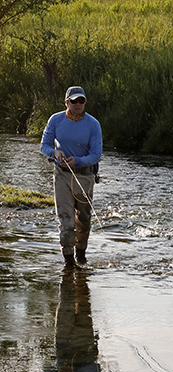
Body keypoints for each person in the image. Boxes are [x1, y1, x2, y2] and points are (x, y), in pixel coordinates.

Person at [40, 86, 102, 267]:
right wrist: (55, 153)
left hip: (85, 176)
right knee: (65, 220)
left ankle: (80, 255)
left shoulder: (93, 124)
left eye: (81, 101)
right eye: (73, 101)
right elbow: (43, 146)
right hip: (62, 175)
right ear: (66, 102)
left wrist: (78, 161)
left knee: (83, 220)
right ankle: (68, 261)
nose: (78, 104)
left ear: (85, 103)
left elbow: (96, 154)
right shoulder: (56, 120)